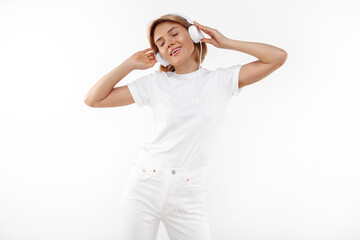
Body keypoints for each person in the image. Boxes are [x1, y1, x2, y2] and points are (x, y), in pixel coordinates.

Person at [84, 12, 287, 240]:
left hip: (189, 191)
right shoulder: (155, 83)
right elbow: (93, 99)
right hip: (144, 183)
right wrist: (129, 64)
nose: (169, 43)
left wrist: (227, 42)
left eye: (174, 34)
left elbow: (278, 57)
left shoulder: (221, 80)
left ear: (193, 34)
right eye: (160, 43)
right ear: (160, 55)